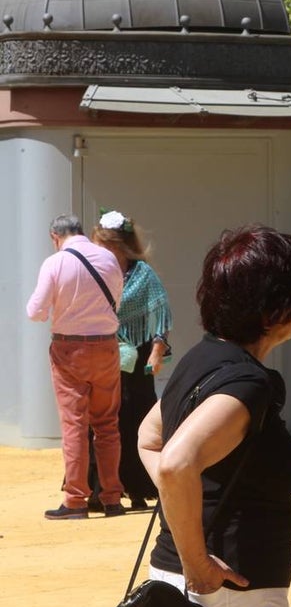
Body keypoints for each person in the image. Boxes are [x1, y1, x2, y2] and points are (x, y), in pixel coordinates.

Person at [137, 225, 291, 607]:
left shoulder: (199, 360)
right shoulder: (247, 385)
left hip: (184, 581)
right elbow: (175, 464)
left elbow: (149, 437)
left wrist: (181, 503)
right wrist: (198, 564)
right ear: (272, 309)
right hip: (227, 591)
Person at [26, 214, 126, 520]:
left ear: (55, 237)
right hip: (107, 345)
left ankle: (76, 500)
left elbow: (35, 312)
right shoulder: (109, 258)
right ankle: (111, 498)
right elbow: (117, 301)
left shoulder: (55, 263)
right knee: (107, 424)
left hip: (70, 348)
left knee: (74, 425)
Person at [86, 209, 172, 512]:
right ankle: (99, 488)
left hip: (136, 356)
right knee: (97, 420)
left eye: (105, 245)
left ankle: (137, 488)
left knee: (134, 420)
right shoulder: (93, 272)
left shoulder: (142, 274)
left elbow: (161, 313)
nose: (100, 251)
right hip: (101, 350)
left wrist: (157, 351)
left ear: (120, 246)